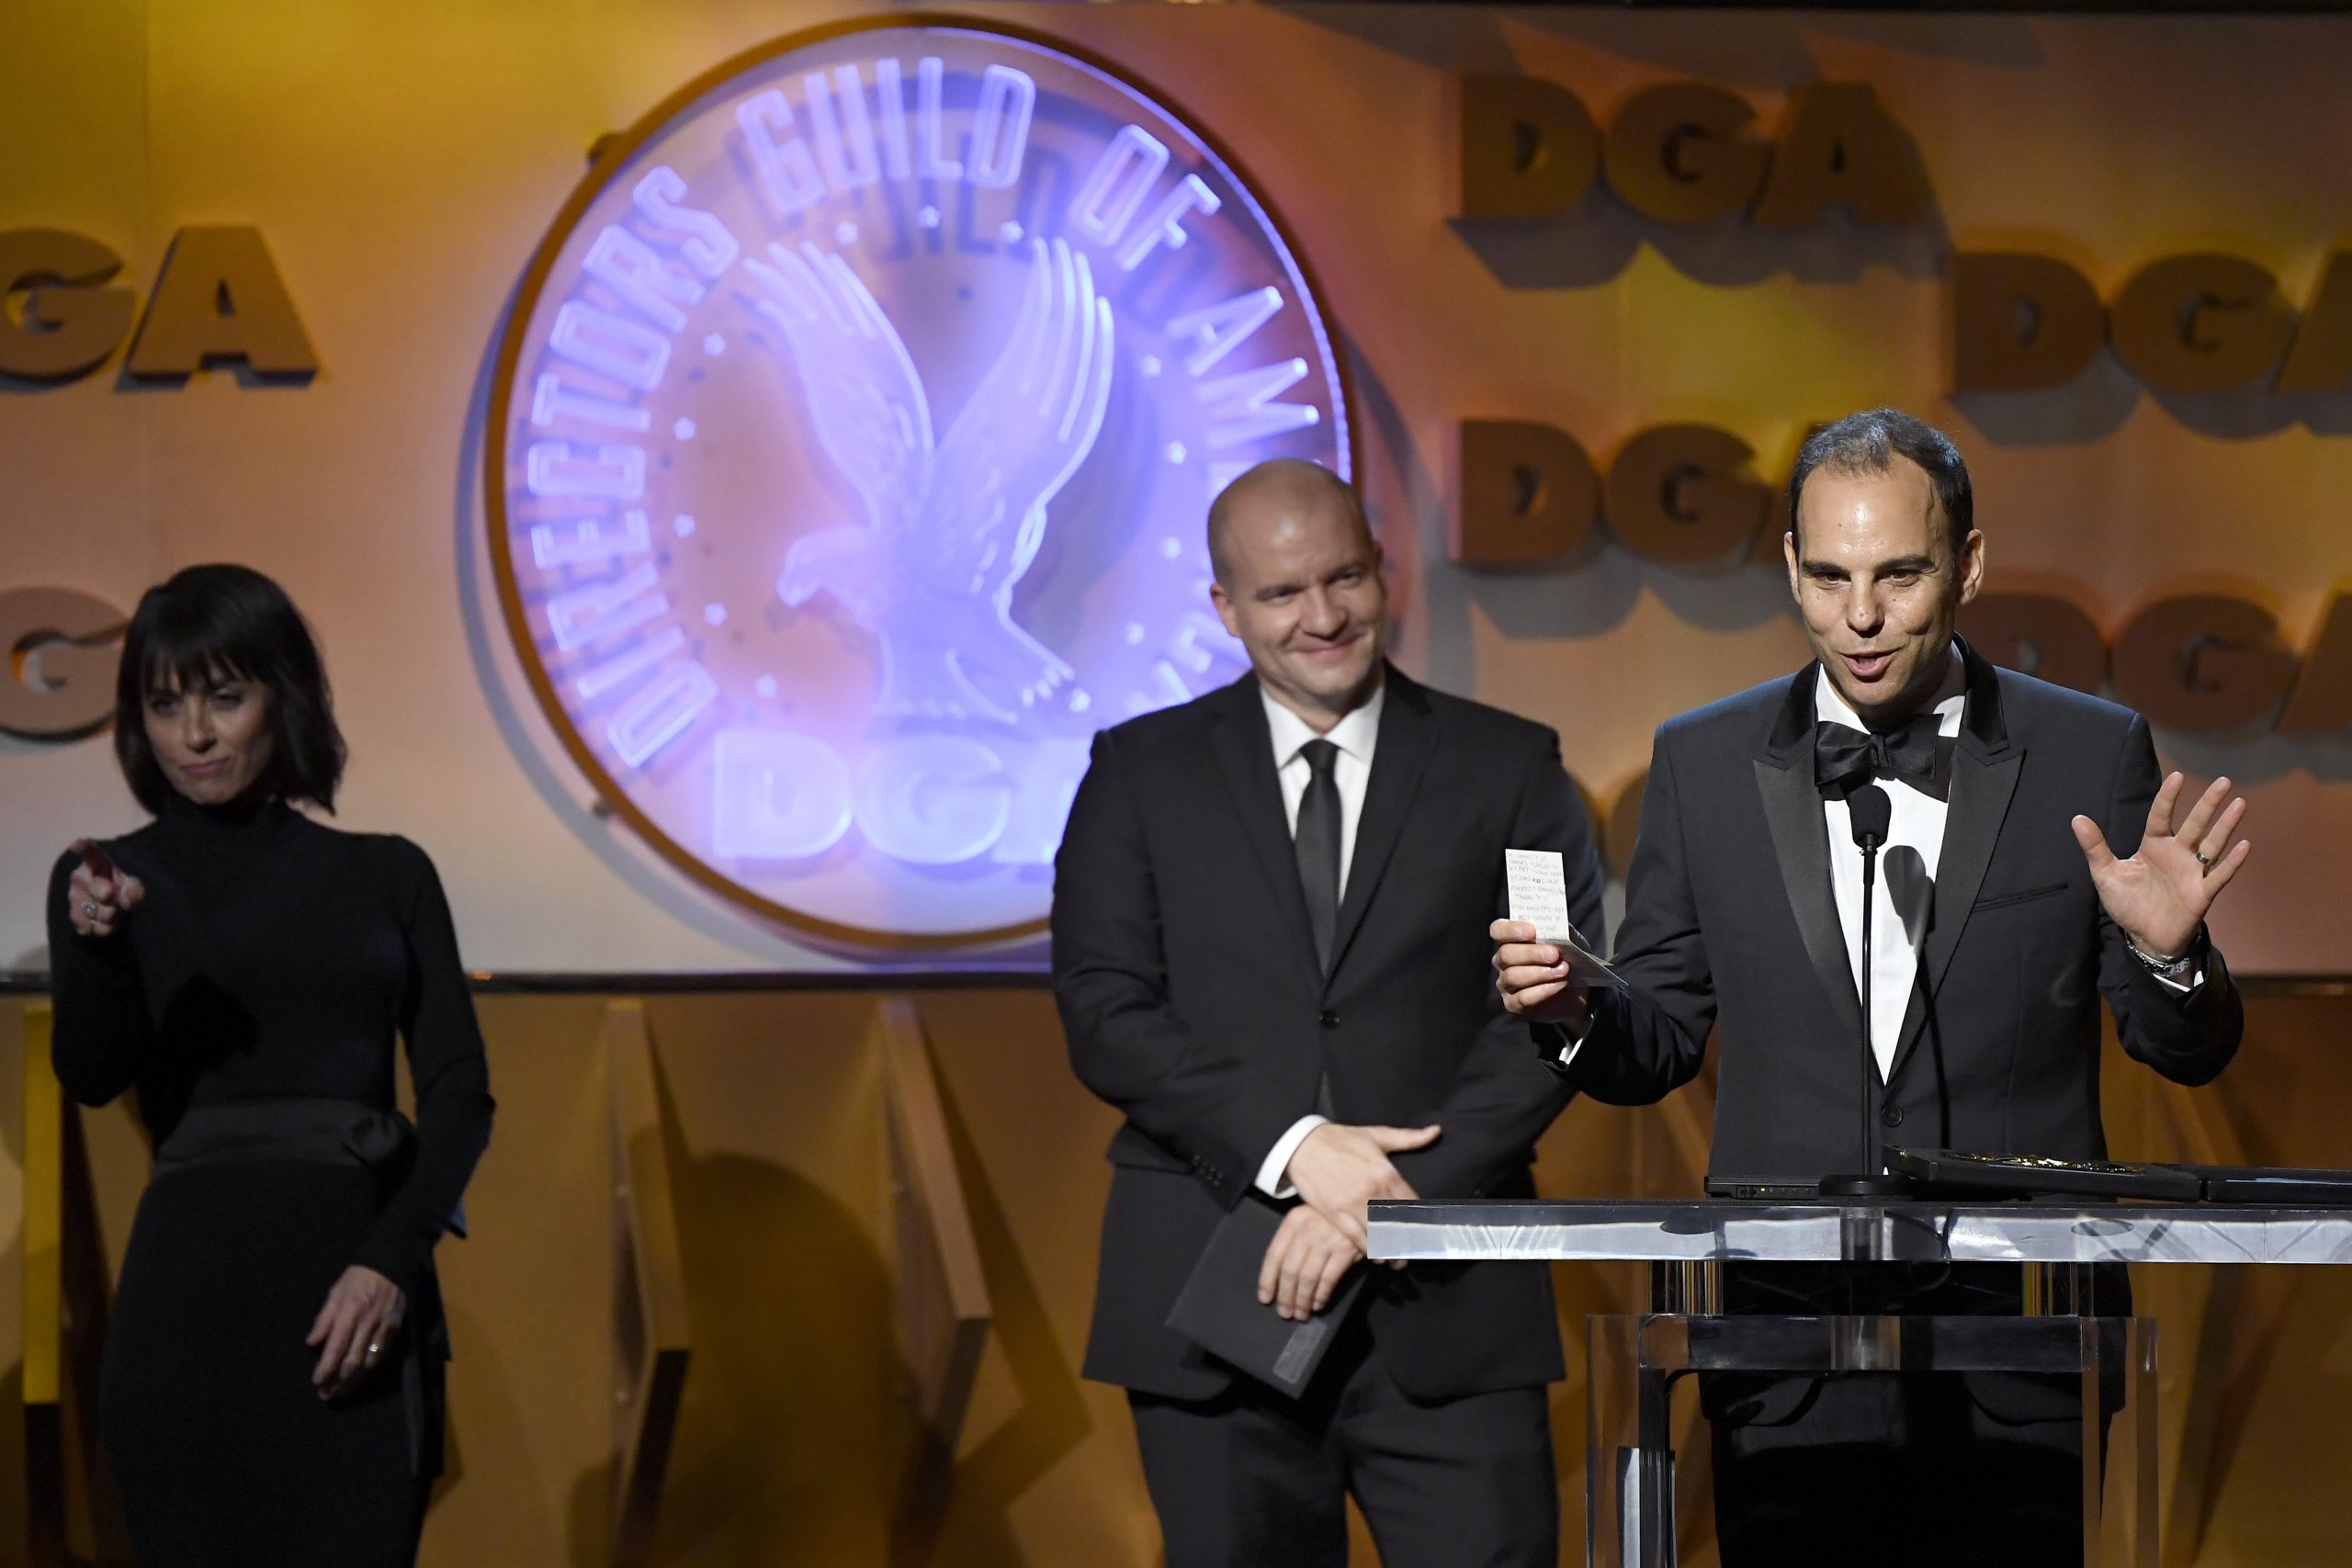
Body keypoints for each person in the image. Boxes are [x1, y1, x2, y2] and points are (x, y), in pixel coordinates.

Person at [1493, 409, 2247, 1568]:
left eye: (1899, 574)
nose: (1860, 617)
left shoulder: (2088, 753)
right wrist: (1574, 1011)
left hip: (2020, 1350)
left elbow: (2181, 1048)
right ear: (1790, 567)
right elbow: (1656, 1044)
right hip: (1784, 1353)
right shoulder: (1701, 762)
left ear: (1969, 565)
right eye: (1830, 576)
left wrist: (2165, 953)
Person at [1053, 459, 1604, 1568]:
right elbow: (1104, 1011)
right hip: (1209, 1313)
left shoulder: (1512, 765)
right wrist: (1300, 1151)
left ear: (1381, 567)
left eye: (1344, 578)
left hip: (1451, 1309)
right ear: (1224, 608)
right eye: (1281, 594)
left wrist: (1381, 1201)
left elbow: (1559, 1012)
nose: (1322, 617)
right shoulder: (1136, 771)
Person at [46, 564, 495, 1567]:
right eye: (164, 705)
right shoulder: (108, 880)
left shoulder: (387, 872)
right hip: (182, 1323)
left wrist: (390, 1261)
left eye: (224, 697)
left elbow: (462, 1097)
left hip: (351, 1314)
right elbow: (88, 1074)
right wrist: (99, 950)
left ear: (280, 699)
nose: (194, 735)